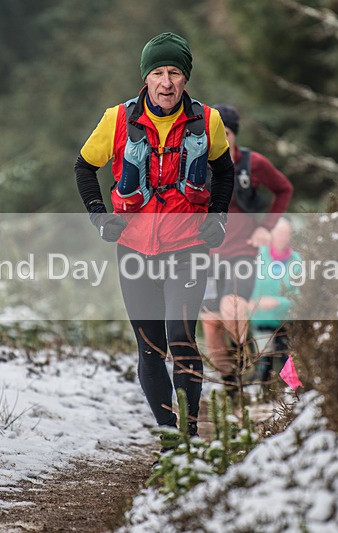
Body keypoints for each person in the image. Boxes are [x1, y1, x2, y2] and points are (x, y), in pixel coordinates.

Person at [74, 32, 234, 442]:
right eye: (159, 73)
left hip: (188, 247)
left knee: (180, 337)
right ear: (145, 78)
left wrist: (217, 217)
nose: (167, 83)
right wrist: (98, 216)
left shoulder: (208, 120)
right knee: (149, 347)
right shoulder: (117, 120)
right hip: (135, 249)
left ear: (186, 79)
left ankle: (189, 435)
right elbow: (83, 167)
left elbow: (224, 171)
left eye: (175, 73)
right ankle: (169, 436)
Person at [200, 104, 293, 386]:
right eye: (213, 133)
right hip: (208, 255)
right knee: (211, 325)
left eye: (225, 132)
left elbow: (283, 189)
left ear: (234, 134)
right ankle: (231, 381)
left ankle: (248, 357)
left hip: (244, 253)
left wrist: (266, 228)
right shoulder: (196, 165)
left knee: (233, 307)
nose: (220, 138)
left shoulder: (253, 164)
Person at [249, 217, 300, 384]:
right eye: (278, 233)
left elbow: (301, 295)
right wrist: (252, 302)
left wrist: (279, 302)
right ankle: (257, 399)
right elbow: (244, 285)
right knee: (263, 364)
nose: (281, 237)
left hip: (286, 321)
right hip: (260, 319)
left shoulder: (297, 261)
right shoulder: (257, 256)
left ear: (290, 236)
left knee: (289, 364)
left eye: (285, 233)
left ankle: (294, 397)